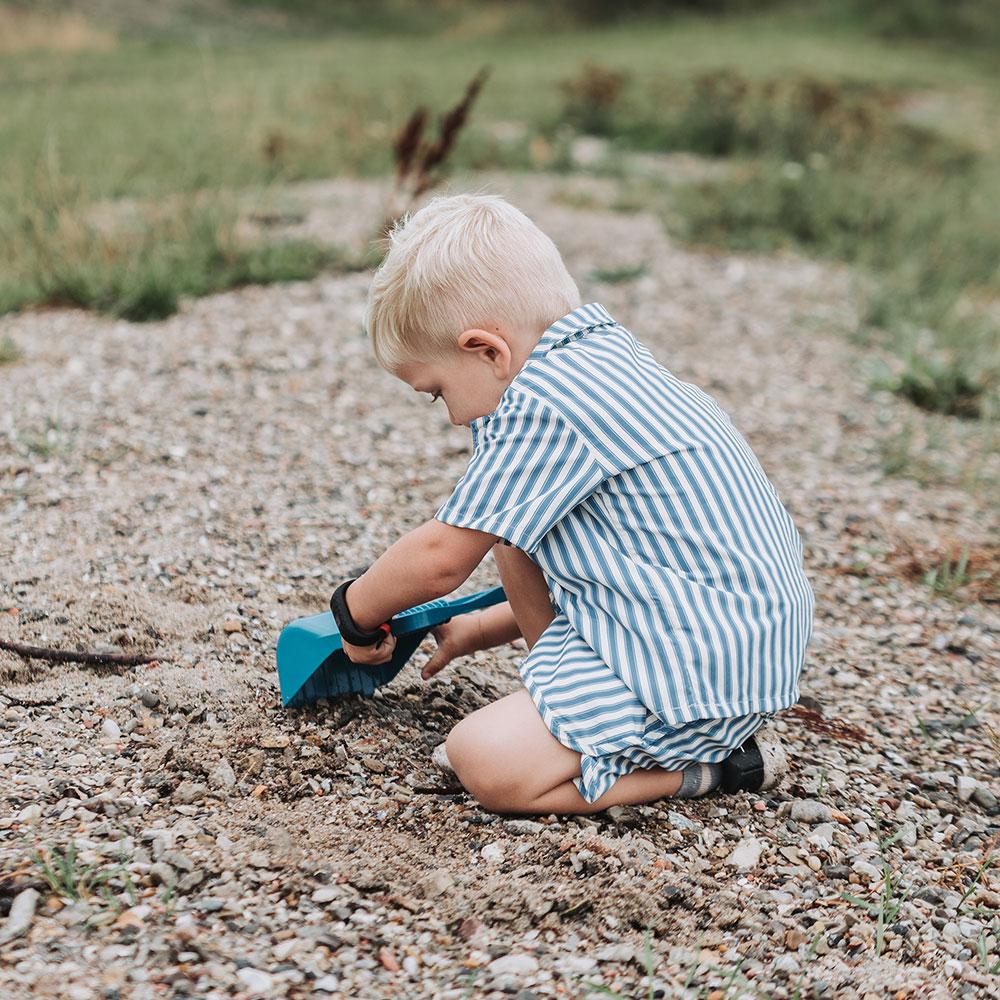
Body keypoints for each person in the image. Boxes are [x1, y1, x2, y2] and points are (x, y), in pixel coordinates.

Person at [329, 191, 813, 816]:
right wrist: (478, 628)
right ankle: (581, 719)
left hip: (696, 670)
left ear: (488, 351)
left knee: (485, 761)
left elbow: (441, 559)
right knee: (510, 532)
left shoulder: (547, 404)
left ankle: (715, 769)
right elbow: (621, 576)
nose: (450, 417)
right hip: (725, 637)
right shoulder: (606, 362)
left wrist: (354, 610)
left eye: (437, 392)